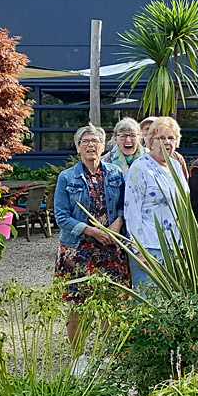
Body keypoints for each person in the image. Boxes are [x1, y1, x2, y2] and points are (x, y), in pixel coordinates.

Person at [53, 125, 128, 345]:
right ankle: (78, 355)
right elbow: (61, 217)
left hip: (110, 247)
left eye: (95, 141)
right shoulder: (67, 177)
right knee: (78, 303)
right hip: (79, 249)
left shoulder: (115, 173)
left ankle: (106, 353)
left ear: (103, 146)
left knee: (110, 302)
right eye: (85, 141)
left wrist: (118, 222)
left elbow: (125, 206)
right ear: (78, 147)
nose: (90, 145)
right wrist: (91, 231)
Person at [124, 117, 188, 288]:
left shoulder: (175, 165)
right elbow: (132, 211)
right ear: (150, 141)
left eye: (171, 138)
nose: (166, 142)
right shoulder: (139, 168)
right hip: (150, 246)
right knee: (148, 297)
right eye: (161, 138)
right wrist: (139, 250)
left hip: (175, 245)